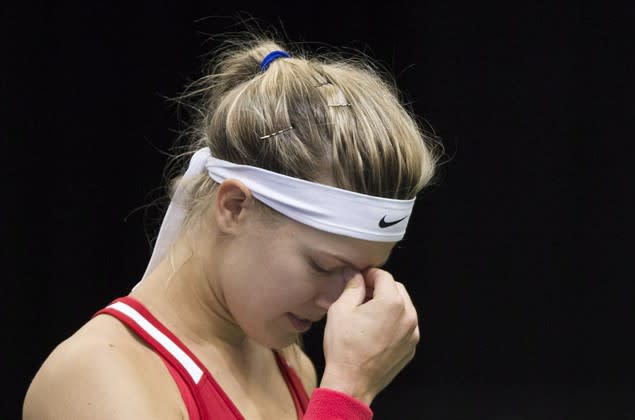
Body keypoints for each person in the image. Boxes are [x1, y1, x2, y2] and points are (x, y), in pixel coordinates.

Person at [23, 33, 443, 419]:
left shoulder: (289, 364)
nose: (338, 303)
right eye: (323, 266)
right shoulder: (95, 377)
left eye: (361, 274)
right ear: (235, 206)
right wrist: (345, 396)